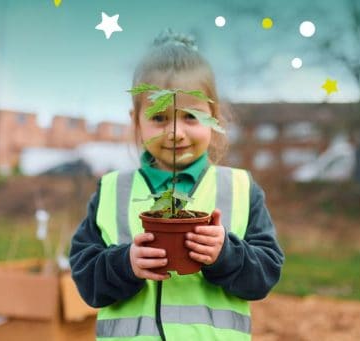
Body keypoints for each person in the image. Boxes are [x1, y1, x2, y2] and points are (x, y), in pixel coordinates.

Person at [69, 30, 284, 340]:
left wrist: (226, 254)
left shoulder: (239, 188)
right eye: (159, 118)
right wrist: (124, 263)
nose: (175, 132)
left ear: (214, 116)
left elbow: (265, 274)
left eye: (191, 117)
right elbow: (85, 277)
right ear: (136, 120)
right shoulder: (112, 190)